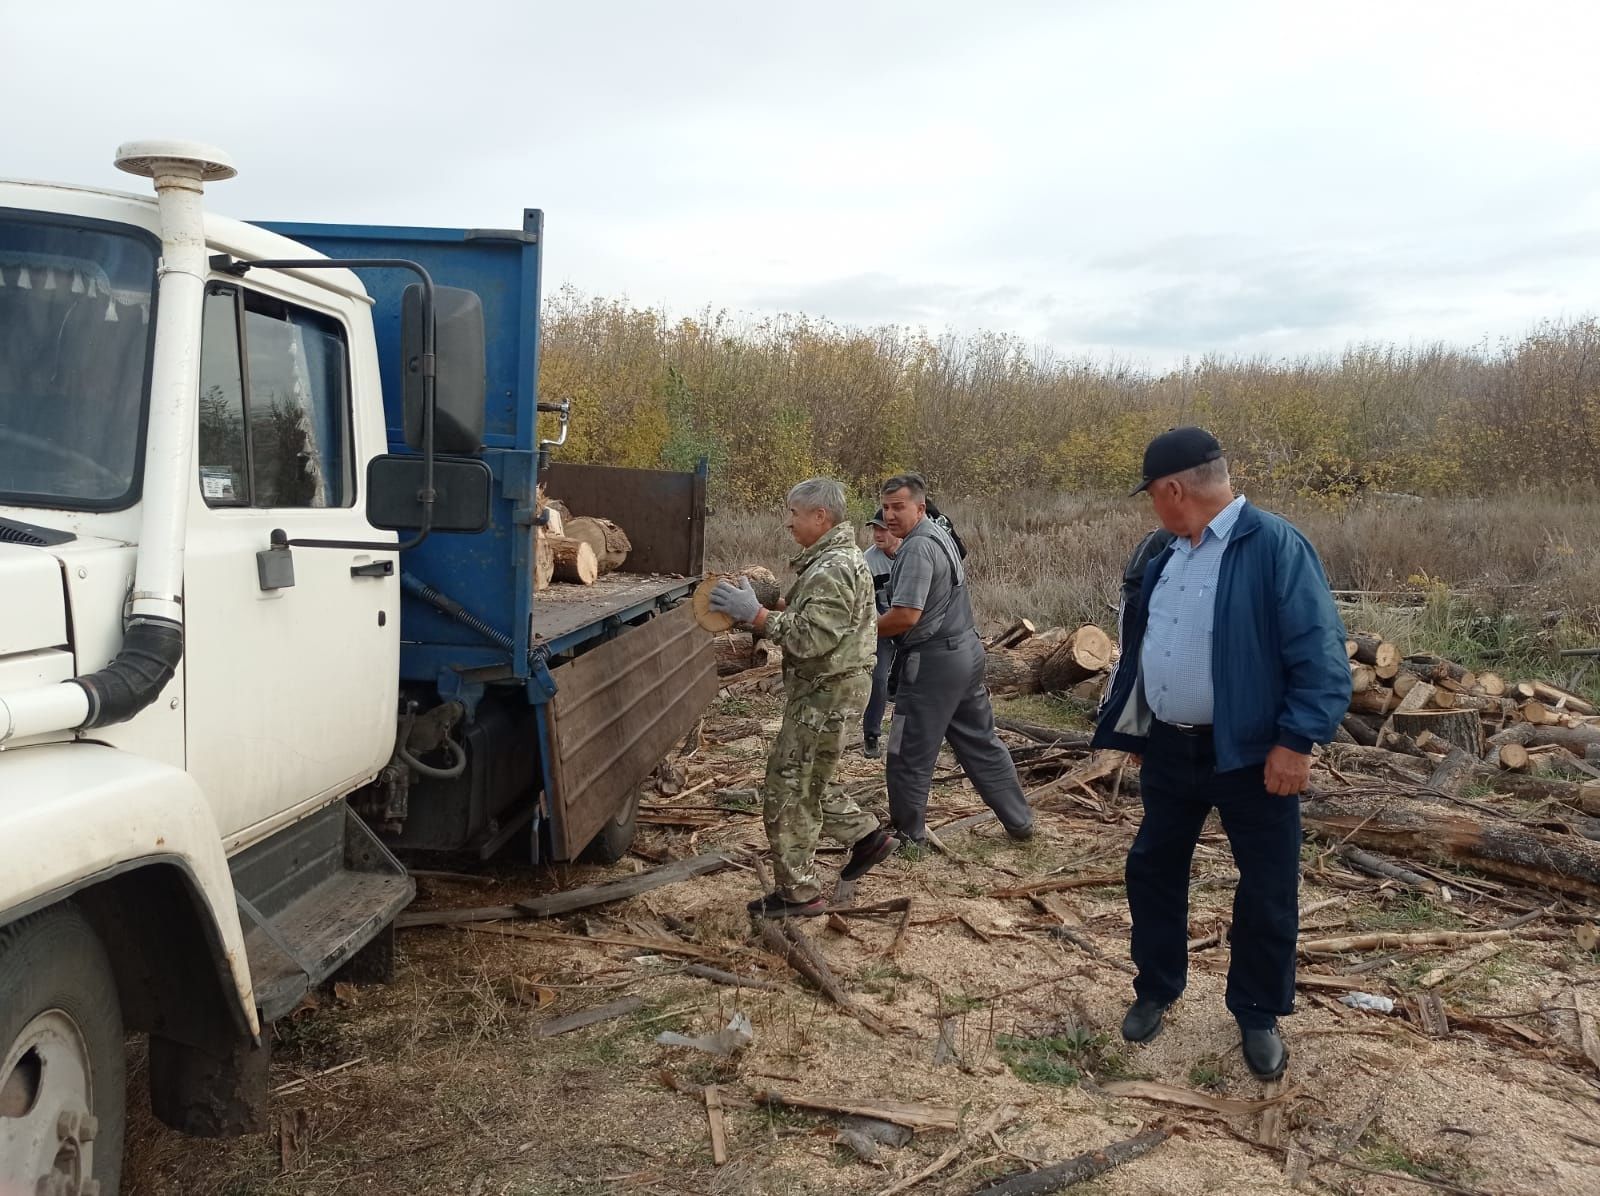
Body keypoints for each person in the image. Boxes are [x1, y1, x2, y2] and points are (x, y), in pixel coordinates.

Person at [1092, 427, 1350, 1081]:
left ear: (1174, 489)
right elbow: (1150, 643)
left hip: (1253, 755)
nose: (1152, 506)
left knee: (1265, 887)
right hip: (1171, 749)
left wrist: (1296, 742)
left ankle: (1258, 1012)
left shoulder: (1272, 546)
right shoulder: (1168, 553)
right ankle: (1156, 987)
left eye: (1152, 494)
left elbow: (1318, 652)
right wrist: (1141, 729)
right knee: (1152, 868)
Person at [709, 478, 898, 917]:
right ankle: (868, 838)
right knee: (812, 781)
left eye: (794, 513)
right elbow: (810, 621)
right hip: (831, 689)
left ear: (820, 517)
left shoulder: (833, 567)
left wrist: (755, 616)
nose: (788, 522)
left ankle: (798, 894)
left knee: (787, 788)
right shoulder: (836, 560)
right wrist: (755, 611)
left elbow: (811, 638)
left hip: (826, 693)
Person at [876, 473, 1033, 845]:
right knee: (981, 742)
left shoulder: (916, 548)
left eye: (898, 507)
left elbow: (905, 616)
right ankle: (1020, 821)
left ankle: (908, 837)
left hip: (932, 663)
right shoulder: (939, 533)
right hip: (966, 652)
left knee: (908, 752)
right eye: (885, 508)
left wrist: (858, 630)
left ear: (920, 506)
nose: (890, 515)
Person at [861, 510, 900, 758]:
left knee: (914, 680)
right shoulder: (868, 559)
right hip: (882, 625)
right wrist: (880, 623)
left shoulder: (911, 553)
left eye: (882, 528)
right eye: (874, 528)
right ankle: (872, 734)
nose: (877, 533)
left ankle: (906, 734)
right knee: (877, 678)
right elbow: (865, 601)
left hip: (912, 625)